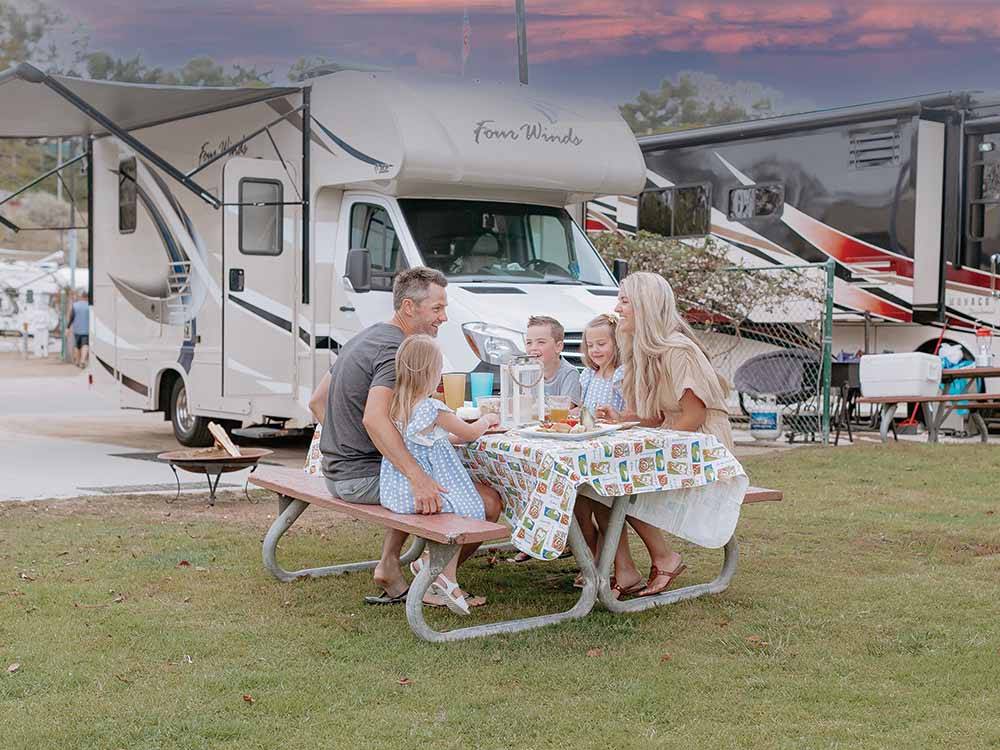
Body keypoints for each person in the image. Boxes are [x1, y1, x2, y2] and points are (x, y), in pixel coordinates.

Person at [307, 267, 451, 605]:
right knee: (474, 495)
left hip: (339, 472)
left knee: (410, 464)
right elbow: (374, 418)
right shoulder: (395, 349)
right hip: (359, 478)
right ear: (408, 307)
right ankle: (436, 580)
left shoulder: (365, 336)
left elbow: (316, 401)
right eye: (437, 309)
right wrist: (415, 477)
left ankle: (390, 565)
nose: (444, 318)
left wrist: (348, 444)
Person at [594, 271, 734, 598]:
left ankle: (664, 557)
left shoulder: (677, 350)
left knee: (619, 479)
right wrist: (625, 419)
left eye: (625, 301)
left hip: (705, 446)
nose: (618, 308)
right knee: (596, 483)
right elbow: (659, 416)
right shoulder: (645, 351)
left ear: (645, 305)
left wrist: (653, 446)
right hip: (678, 438)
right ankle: (626, 571)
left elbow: (694, 415)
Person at [380, 334, 503, 614]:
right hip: (423, 494)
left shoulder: (399, 403)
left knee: (463, 506)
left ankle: (443, 574)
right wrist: (487, 419)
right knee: (471, 506)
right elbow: (470, 432)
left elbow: (431, 437)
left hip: (397, 491)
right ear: (432, 373)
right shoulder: (433, 407)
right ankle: (440, 571)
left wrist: (452, 436)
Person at [572, 313, 626, 577]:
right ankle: (591, 558)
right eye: (590, 345)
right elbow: (585, 411)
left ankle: (606, 565)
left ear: (617, 343)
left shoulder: (620, 375)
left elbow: (629, 414)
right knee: (580, 503)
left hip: (611, 453)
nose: (595, 351)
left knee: (603, 506)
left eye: (601, 344)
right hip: (588, 448)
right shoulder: (588, 376)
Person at [66, 291, 90, 368]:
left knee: (77, 345)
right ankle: (82, 361)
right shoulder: (90, 306)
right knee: (85, 345)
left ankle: (77, 361)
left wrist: (68, 327)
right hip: (86, 329)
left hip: (77, 329)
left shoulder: (75, 305)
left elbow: (71, 317)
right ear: (87, 297)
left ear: (81, 296)